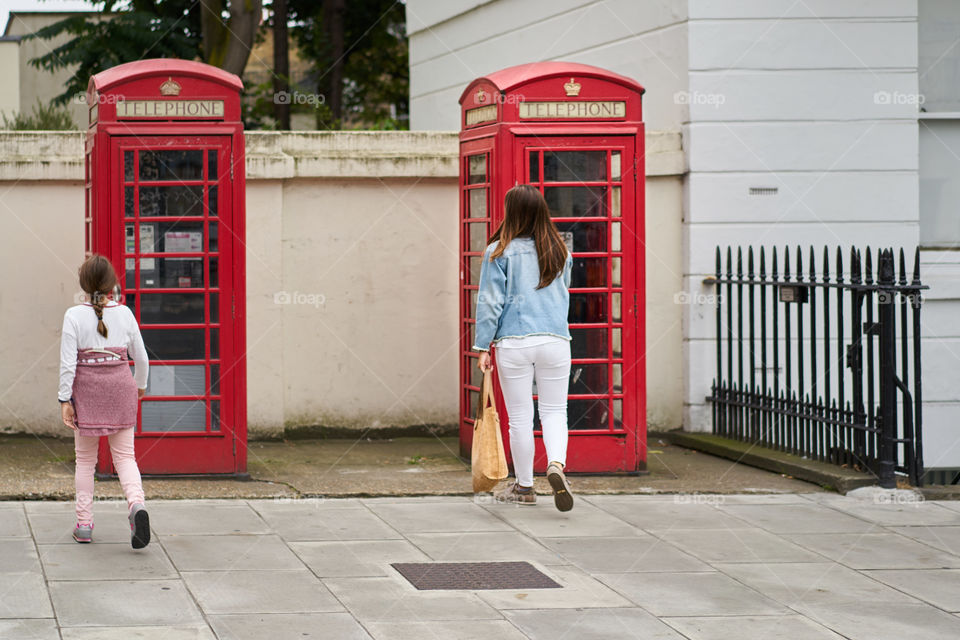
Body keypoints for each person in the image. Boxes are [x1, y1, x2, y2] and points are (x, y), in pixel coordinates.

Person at [473, 184, 574, 512]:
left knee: (519, 417)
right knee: (555, 412)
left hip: (514, 342)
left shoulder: (498, 251)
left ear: (511, 212)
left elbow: (490, 303)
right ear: (542, 211)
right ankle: (557, 464)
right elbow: (564, 293)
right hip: (556, 341)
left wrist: (482, 346)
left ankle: (525, 486)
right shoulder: (561, 250)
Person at [59, 255, 151, 548]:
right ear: (112, 283)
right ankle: (136, 506)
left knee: (85, 461)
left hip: (87, 392)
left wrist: (65, 399)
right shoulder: (124, 313)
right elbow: (142, 358)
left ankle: (84, 525)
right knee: (125, 457)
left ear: (84, 285)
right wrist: (140, 386)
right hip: (121, 387)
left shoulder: (74, 314)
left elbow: (68, 364)